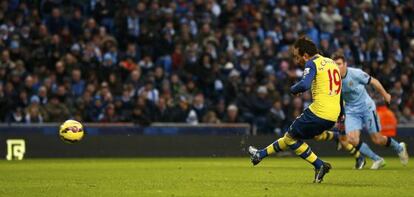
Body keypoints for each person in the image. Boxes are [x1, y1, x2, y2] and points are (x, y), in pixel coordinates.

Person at [248, 37, 341, 183]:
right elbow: (339, 91)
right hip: (333, 115)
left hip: (319, 112)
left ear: (305, 55)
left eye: (297, 57)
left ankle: (319, 164)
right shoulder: (332, 63)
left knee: (291, 138)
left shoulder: (312, 62)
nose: (297, 61)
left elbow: (304, 84)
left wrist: (292, 89)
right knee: (292, 136)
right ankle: (260, 155)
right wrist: (341, 114)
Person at [331, 52, 408, 169]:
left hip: (366, 107)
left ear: (345, 64)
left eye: (339, 64)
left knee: (377, 139)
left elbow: (374, 82)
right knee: (351, 139)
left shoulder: (356, 73)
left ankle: (399, 148)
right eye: (335, 64)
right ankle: (377, 159)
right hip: (351, 111)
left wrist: (385, 94)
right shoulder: (333, 81)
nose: (337, 67)